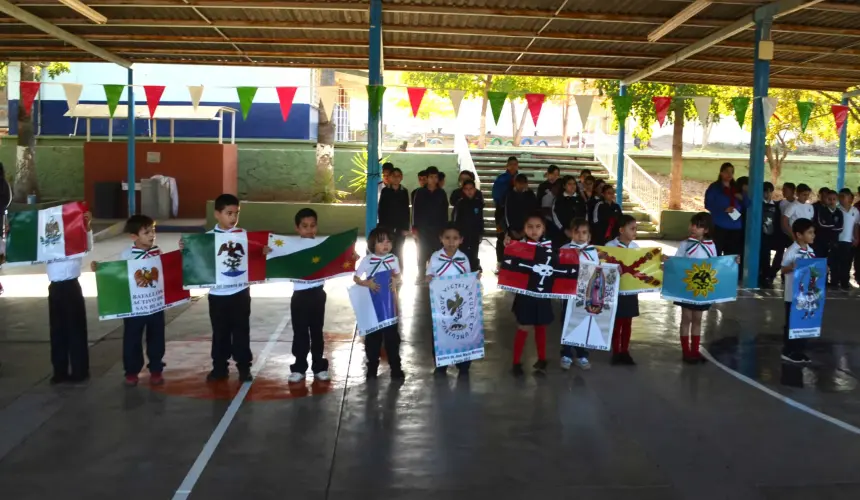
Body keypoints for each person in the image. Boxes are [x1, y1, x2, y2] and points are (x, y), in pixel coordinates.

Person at [183, 194, 258, 382]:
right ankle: (219, 367)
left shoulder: (243, 235)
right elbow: (195, 260)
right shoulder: (207, 239)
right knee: (220, 332)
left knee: (241, 330)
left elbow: (255, 254)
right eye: (229, 213)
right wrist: (186, 248)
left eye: (236, 213)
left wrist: (262, 250)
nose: (233, 218)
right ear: (217, 214)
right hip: (217, 295)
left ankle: (243, 367)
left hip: (240, 292)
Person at [91, 215, 166, 386]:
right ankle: (131, 371)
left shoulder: (157, 251)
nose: (152, 235)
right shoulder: (127, 254)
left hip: (155, 305)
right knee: (132, 339)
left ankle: (156, 369)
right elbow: (117, 274)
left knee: (157, 338)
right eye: (146, 232)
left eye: (153, 230)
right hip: (135, 306)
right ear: (134, 236)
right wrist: (100, 269)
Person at [44, 209, 94, 383]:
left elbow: (87, 247)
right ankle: (60, 371)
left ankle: (80, 371)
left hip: (71, 286)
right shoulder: (47, 242)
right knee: (57, 330)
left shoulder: (75, 237)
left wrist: (86, 228)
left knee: (76, 330)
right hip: (55, 288)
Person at [506, 212, 553, 376]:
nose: (534, 230)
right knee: (523, 327)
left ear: (543, 228)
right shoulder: (518, 246)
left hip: (542, 294)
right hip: (525, 295)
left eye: (538, 227)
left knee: (541, 327)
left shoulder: (549, 246)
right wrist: (508, 249)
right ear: (524, 229)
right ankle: (516, 362)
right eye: (530, 227)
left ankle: (542, 359)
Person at [354, 227, 404, 380]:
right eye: (381, 242)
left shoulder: (393, 259)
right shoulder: (367, 260)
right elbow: (356, 278)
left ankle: (396, 367)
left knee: (392, 338)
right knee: (373, 339)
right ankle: (372, 367)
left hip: (390, 306)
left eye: (388, 242)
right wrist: (366, 283)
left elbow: (398, 276)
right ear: (372, 244)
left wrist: (396, 280)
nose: (386, 245)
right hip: (373, 305)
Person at [426, 223, 475, 376]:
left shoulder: (463, 258)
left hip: (460, 303)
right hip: (440, 304)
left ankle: (463, 363)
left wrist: (474, 279)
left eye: (455, 238)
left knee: (461, 331)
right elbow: (430, 275)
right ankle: (441, 364)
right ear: (441, 239)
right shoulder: (435, 257)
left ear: (461, 240)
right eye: (447, 238)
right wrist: (428, 278)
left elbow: (467, 280)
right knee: (441, 332)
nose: (451, 241)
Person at [672, 213, 718, 364]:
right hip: (687, 287)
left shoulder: (711, 245)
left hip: (702, 288)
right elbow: (677, 262)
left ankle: (695, 351)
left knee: (698, 319)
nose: (693, 228)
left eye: (698, 226)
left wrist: (733, 261)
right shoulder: (685, 245)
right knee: (686, 318)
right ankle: (686, 351)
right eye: (692, 224)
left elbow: (716, 265)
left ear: (706, 230)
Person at [559, 218, 597, 371]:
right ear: (571, 233)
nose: (580, 236)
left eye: (584, 233)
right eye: (577, 232)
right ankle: (566, 353)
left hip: (586, 295)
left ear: (589, 236)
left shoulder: (593, 251)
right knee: (568, 323)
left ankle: (582, 354)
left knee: (583, 323)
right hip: (568, 295)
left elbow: (598, 270)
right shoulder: (564, 249)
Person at [780, 218, 816, 365]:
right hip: (792, 295)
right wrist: (792, 267)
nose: (813, 235)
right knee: (792, 322)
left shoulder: (811, 251)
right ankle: (788, 350)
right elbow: (783, 269)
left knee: (803, 321)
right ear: (799, 235)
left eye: (813, 232)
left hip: (806, 294)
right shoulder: (792, 251)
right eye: (810, 232)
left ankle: (799, 350)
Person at [606, 214, 640, 365]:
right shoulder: (610, 247)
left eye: (636, 229)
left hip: (630, 290)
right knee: (617, 322)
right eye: (632, 229)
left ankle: (625, 351)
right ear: (621, 230)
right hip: (615, 291)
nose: (635, 232)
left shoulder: (636, 248)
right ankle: (616, 351)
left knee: (628, 322)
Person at [412, 166, 449, 276]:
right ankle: (421, 275)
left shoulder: (441, 193)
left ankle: (435, 274)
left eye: (435, 177)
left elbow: (444, 212)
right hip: (423, 229)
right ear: (427, 178)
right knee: (422, 252)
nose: (433, 179)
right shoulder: (419, 192)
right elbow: (415, 211)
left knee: (437, 251)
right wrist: (414, 228)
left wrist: (444, 230)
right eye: (431, 177)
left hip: (438, 229)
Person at [704, 162, 744, 257]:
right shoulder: (714, 188)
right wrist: (724, 209)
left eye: (732, 172)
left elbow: (747, 204)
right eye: (727, 171)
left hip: (736, 226)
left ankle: (730, 272)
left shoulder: (737, 187)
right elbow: (708, 204)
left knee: (732, 256)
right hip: (719, 225)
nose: (729, 174)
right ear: (721, 173)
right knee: (716, 253)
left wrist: (742, 198)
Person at [378, 167, 410, 264]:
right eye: (393, 176)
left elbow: (406, 210)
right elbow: (381, 209)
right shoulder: (385, 191)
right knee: (388, 250)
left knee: (399, 250)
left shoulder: (404, 191)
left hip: (401, 227)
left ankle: (399, 275)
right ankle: (388, 275)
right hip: (387, 226)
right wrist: (382, 227)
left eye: (398, 176)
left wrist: (406, 227)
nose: (396, 178)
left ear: (401, 177)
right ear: (389, 178)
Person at [492, 156, 518, 270]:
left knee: (515, 237)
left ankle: (514, 263)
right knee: (501, 237)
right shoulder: (501, 179)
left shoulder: (520, 178)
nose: (513, 166)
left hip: (515, 213)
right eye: (511, 164)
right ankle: (500, 262)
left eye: (515, 164)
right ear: (507, 166)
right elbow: (496, 195)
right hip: (501, 213)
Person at [452, 179, 484, 272]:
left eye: (471, 188)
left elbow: (480, 219)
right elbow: (455, 220)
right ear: (463, 190)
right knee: (462, 255)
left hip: (474, 235)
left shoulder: (478, 203)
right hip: (463, 236)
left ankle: (473, 275)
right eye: (466, 189)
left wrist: (481, 233)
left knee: (474, 255)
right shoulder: (460, 203)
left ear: (475, 190)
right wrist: (457, 235)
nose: (469, 191)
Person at [813, 189, 842, 284]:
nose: (832, 201)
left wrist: (830, 226)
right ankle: (821, 282)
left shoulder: (839, 212)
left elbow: (840, 228)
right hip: (821, 241)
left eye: (834, 199)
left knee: (832, 262)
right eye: (829, 199)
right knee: (820, 261)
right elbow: (821, 224)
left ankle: (833, 282)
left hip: (833, 241)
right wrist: (833, 225)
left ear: (837, 200)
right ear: (826, 200)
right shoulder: (821, 210)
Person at [551, 175, 586, 249]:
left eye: (574, 184)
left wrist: (581, 229)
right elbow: (555, 216)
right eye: (569, 184)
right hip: (562, 235)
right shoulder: (558, 199)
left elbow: (585, 214)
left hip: (578, 233)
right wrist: (564, 230)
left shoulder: (580, 199)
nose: (572, 186)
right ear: (564, 186)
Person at [834, 189, 858, 290]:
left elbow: (856, 225)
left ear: (849, 198)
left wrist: (856, 238)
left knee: (847, 263)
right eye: (840, 196)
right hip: (837, 240)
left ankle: (844, 282)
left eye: (844, 196)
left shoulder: (855, 211)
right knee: (836, 262)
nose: (841, 199)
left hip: (848, 241)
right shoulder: (836, 209)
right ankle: (834, 282)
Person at [504, 174, 538, 241]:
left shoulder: (530, 195)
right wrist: (512, 229)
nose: (521, 186)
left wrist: (526, 230)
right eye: (519, 183)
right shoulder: (510, 195)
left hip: (528, 230)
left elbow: (534, 212)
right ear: (515, 183)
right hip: (513, 230)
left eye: (523, 183)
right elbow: (507, 214)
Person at [760, 182, 781, 286]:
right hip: (760, 234)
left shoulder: (776, 206)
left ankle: (767, 276)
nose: (767, 194)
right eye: (765, 191)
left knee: (767, 256)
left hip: (770, 235)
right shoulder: (758, 204)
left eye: (769, 191)